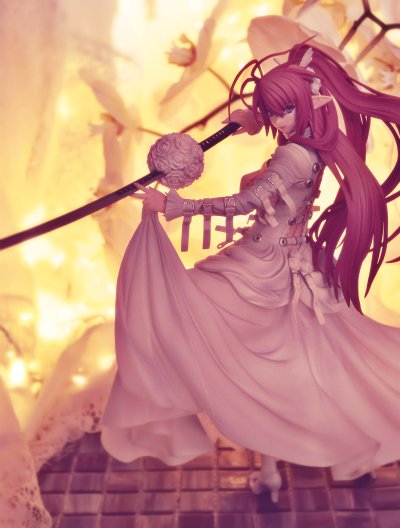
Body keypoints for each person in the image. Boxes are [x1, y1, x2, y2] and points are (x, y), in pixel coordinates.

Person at [101, 43, 400, 502]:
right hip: (281, 260)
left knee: (198, 319)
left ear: (306, 105)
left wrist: (176, 205)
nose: (278, 120)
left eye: (284, 110)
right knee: (282, 369)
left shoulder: (293, 157)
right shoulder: (311, 144)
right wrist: (255, 120)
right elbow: (282, 148)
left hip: (263, 268)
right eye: (272, 110)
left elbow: (246, 202)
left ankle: (299, 458)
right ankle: (276, 469)